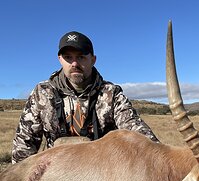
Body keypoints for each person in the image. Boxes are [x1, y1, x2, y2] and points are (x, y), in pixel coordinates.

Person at [12, 31, 159, 164]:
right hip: (53, 171)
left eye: (81, 57)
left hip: (101, 173)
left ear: (93, 59)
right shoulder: (42, 93)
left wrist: (159, 157)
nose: (75, 64)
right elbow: (24, 145)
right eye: (68, 57)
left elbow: (138, 134)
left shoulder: (111, 94)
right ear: (59, 59)